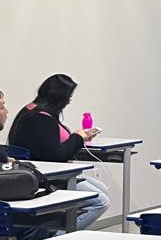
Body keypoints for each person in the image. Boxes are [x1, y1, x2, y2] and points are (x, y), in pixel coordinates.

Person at [7, 74, 109, 231]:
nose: (69, 101)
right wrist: (78, 138)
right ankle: (59, 236)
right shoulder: (40, 119)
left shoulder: (31, 110)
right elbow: (58, 155)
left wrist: (76, 137)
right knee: (100, 202)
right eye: (68, 97)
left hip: (40, 171)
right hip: (47, 178)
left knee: (101, 187)